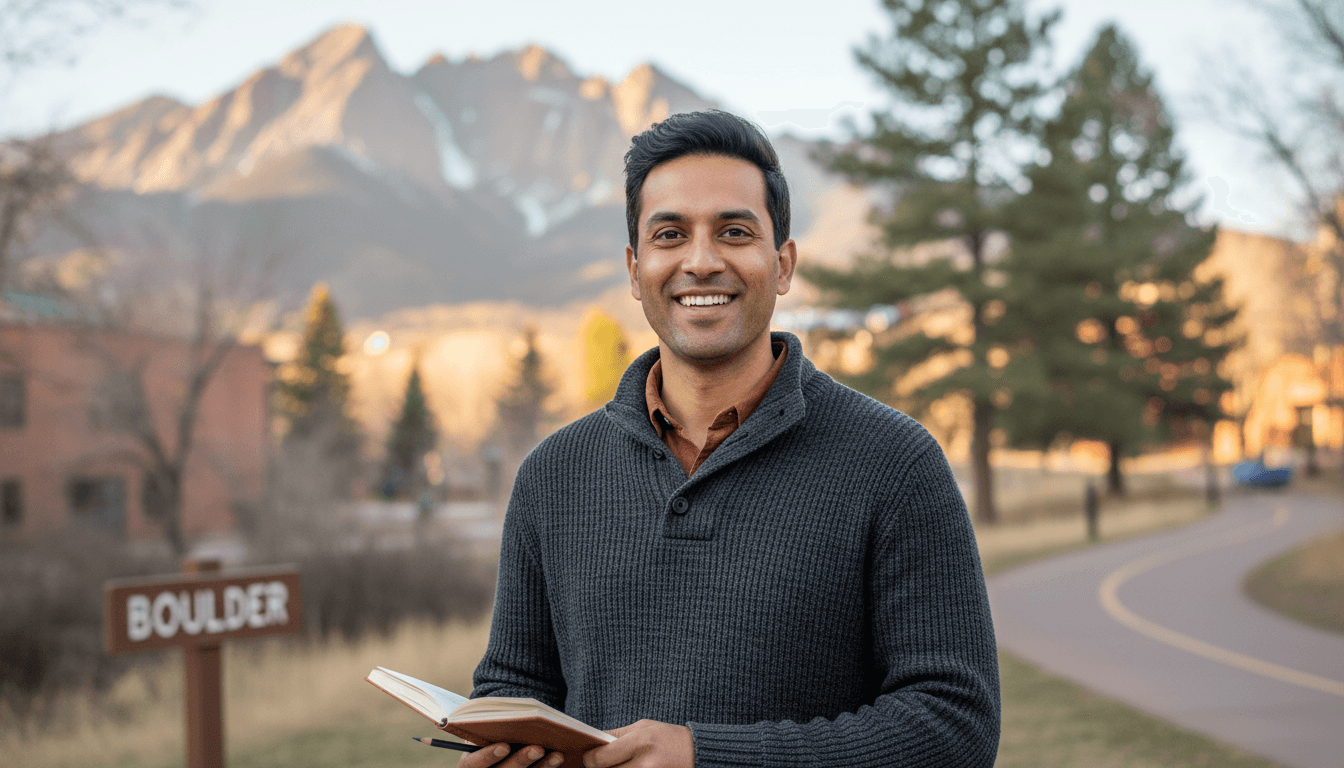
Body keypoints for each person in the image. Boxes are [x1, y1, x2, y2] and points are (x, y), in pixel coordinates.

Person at [462, 110, 999, 768]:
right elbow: (513, 686)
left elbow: (954, 726)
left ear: (782, 264)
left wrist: (707, 757)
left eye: (734, 231)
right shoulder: (553, 475)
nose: (701, 261)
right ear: (636, 270)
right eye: (670, 234)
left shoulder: (894, 463)